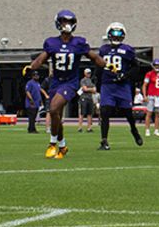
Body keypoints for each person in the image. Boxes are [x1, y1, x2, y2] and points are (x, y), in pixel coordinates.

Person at [28, 10, 107, 159]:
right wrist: (31, 67)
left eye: (70, 22)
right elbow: (41, 59)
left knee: (53, 109)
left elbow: (94, 57)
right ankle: (63, 146)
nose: (67, 25)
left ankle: (52, 144)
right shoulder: (52, 42)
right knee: (56, 114)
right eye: (64, 21)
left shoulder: (78, 42)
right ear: (58, 23)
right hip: (55, 83)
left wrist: (107, 65)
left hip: (70, 83)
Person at [96, 22, 144, 150]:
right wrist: (98, 84)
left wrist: (125, 76)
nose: (116, 37)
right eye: (114, 35)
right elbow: (99, 67)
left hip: (122, 86)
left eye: (119, 35)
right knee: (105, 112)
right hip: (107, 85)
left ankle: (134, 131)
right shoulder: (103, 50)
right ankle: (104, 140)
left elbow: (136, 67)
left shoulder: (127, 50)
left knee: (128, 113)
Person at [143, 59, 159, 137]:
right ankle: (147, 130)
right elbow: (144, 85)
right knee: (149, 113)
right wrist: (145, 95)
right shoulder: (149, 74)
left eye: (158, 65)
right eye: (156, 65)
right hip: (151, 96)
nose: (157, 67)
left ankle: (156, 130)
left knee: (158, 114)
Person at [24, 67, 45, 133]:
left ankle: (31, 128)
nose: (37, 76)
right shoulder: (30, 83)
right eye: (35, 75)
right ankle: (31, 129)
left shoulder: (38, 84)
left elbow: (38, 93)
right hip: (31, 103)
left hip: (36, 103)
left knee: (34, 117)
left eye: (37, 75)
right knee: (32, 117)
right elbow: (27, 91)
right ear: (32, 76)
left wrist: (41, 101)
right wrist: (31, 99)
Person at [76, 69, 97, 133]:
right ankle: (80, 127)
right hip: (84, 98)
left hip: (90, 98)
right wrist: (91, 89)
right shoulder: (83, 80)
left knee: (90, 113)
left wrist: (89, 89)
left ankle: (89, 128)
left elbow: (94, 90)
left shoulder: (91, 80)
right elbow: (84, 89)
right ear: (84, 73)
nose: (89, 74)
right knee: (82, 113)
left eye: (89, 73)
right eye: (88, 73)